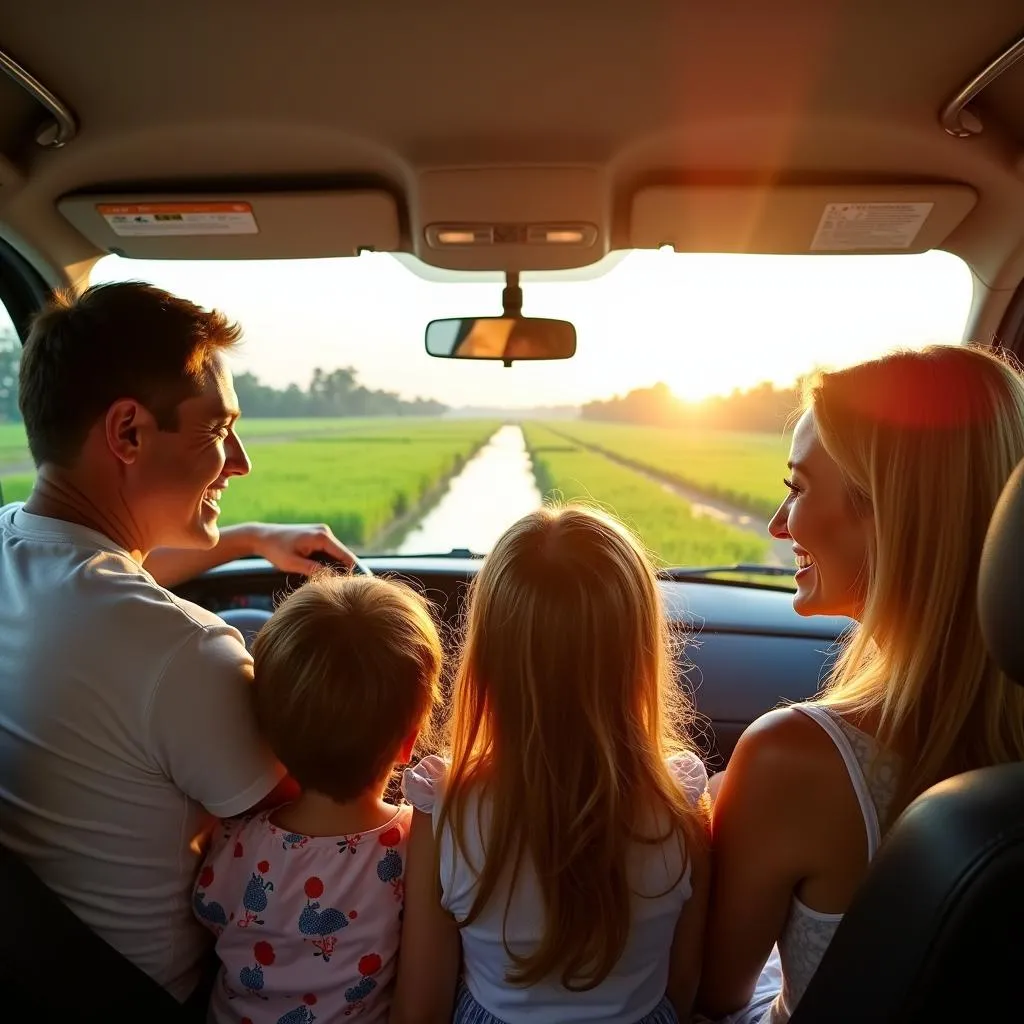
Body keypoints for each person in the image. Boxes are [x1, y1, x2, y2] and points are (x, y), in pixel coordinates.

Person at [0, 282, 357, 1004]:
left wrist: (250, 540)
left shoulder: (14, 537)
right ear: (128, 432)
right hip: (153, 997)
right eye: (218, 429)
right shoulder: (182, 650)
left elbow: (109, 570)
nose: (240, 462)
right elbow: (323, 815)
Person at [698, 345, 1024, 1024]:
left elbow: (709, 997)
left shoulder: (798, 758)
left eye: (799, 487)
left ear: (888, 512)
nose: (779, 524)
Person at [391, 505, 712, 1024]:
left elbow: (420, 1006)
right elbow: (683, 983)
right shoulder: (681, 804)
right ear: (640, 656)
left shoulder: (445, 805)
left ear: (489, 658)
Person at [193, 572, 442, 1024]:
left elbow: (210, 910)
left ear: (266, 733)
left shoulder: (237, 840)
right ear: (408, 743)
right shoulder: (412, 848)